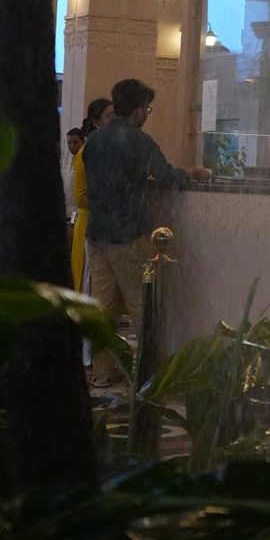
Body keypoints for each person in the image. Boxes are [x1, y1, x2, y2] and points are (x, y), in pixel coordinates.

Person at [83, 78, 210, 363]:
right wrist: (191, 173)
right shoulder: (140, 142)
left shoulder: (94, 141)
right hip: (128, 233)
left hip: (97, 234)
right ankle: (150, 375)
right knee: (143, 309)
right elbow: (167, 177)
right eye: (147, 109)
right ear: (138, 109)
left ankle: (102, 373)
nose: (147, 115)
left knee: (103, 310)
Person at [70, 97, 112, 291]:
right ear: (96, 121)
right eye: (109, 116)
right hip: (89, 224)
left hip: (103, 223)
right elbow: (80, 197)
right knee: (89, 281)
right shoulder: (85, 152)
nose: (114, 121)